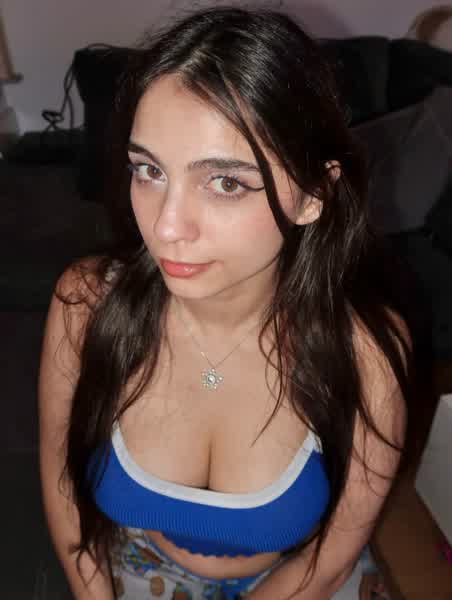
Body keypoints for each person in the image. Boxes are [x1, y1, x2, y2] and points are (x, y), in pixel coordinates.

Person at [38, 6, 414, 600]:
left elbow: (330, 560)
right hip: (136, 570)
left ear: (312, 196)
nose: (165, 228)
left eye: (226, 182)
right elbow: (63, 487)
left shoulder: (365, 350)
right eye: (148, 170)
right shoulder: (85, 304)